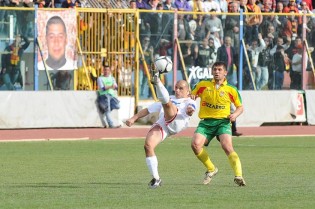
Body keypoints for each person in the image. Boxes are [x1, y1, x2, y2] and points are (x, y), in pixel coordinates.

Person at [125, 60, 196, 189]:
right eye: (176, 88)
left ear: (187, 91)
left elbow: (191, 109)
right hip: (164, 124)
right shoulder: (169, 99)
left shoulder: (189, 100)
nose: (178, 90)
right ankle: (156, 179)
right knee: (148, 146)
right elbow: (148, 110)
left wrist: (190, 111)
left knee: (168, 104)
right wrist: (133, 118)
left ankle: (157, 81)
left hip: (177, 122)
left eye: (181, 88)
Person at [190, 61, 246, 186]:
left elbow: (240, 107)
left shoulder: (231, 89)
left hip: (223, 122)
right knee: (195, 145)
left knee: (227, 146)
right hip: (206, 122)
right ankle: (211, 169)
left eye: (220, 70)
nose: (217, 72)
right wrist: (191, 102)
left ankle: (239, 176)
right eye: (215, 69)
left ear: (225, 73)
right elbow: (191, 97)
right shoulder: (202, 85)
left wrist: (235, 115)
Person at [97, 62, 121, 129]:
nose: (106, 71)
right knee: (107, 110)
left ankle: (105, 112)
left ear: (110, 71)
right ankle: (111, 124)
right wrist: (111, 86)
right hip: (104, 95)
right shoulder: (100, 78)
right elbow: (102, 88)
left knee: (117, 105)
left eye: (107, 70)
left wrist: (109, 86)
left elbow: (116, 87)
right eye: (105, 70)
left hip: (111, 95)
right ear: (103, 70)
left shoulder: (112, 78)